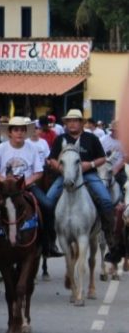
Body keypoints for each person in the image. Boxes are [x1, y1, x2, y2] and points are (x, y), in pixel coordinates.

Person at [45, 109, 123, 265]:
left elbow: (102, 158)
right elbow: (52, 159)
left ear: (81, 123)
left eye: (76, 120)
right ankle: (49, 241)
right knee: (47, 201)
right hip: (65, 176)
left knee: (106, 200)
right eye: (69, 121)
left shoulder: (91, 138)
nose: (72, 123)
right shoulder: (60, 139)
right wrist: (61, 169)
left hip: (88, 174)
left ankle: (110, 241)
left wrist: (91, 164)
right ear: (66, 123)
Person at [0, 117, 59, 256]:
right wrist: (5, 182)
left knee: (48, 205)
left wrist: (24, 183)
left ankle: (48, 243)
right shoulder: (1, 148)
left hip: (27, 186)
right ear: (10, 132)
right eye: (16, 130)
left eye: (22, 130)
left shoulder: (32, 148)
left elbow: (38, 172)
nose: (20, 133)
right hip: (3, 188)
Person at [101, 120, 126, 189]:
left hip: (119, 169)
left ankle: (124, 197)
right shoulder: (103, 140)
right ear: (111, 130)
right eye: (115, 130)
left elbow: (125, 158)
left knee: (124, 184)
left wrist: (116, 169)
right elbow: (100, 155)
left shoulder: (124, 141)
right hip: (104, 168)